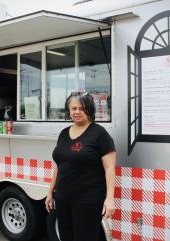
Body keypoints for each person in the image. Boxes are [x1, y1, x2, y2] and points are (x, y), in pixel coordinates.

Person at [45, 92, 116, 241]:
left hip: (88, 200)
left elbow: (110, 168)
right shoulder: (63, 133)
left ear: (89, 110)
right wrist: (51, 191)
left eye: (82, 108)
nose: (77, 112)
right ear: (69, 111)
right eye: (73, 108)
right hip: (63, 198)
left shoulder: (99, 133)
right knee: (66, 237)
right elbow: (59, 165)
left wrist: (110, 199)